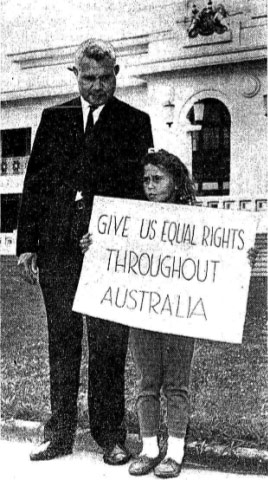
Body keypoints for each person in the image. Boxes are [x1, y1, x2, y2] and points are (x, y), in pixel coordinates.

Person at [17, 38, 153, 464]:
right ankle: (58, 434)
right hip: (57, 252)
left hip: (108, 254)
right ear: (74, 75)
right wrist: (27, 246)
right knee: (63, 341)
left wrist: (119, 239)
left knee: (109, 345)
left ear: (118, 73)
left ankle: (111, 436)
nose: (97, 86)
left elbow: (139, 191)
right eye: (88, 78)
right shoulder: (52, 118)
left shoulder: (135, 122)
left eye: (105, 77)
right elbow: (35, 183)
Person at [126, 149, 196, 479]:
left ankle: (176, 452)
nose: (150, 186)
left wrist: (242, 258)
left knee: (177, 383)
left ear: (175, 181)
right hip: (143, 310)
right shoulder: (132, 219)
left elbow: (213, 262)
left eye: (157, 179)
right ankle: (150, 448)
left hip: (181, 312)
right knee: (147, 381)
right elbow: (118, 258)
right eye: (145, 180)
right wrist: (94, 245)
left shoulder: (197, 221)